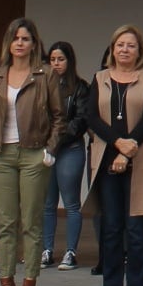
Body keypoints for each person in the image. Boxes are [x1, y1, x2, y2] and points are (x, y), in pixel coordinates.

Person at [0, 17, 64, 286]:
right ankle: (6, 284)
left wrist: (50, 149)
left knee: (30, 221)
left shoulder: (45, 76)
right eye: (15, 38)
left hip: (33, 153)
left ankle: (29, 285)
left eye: (25, 39)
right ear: (9, 43)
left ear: (33, 43)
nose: (20, 43)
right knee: (5, 222)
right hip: (2, 153)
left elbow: (58, 116)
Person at [88, 25, 143, 286]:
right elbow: (91, 117)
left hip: (139, 161)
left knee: (136, 232)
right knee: (110, 230)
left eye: (131, 45)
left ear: (139, 50)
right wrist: (117, 144)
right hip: (107, 161)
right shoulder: (99, 78)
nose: (125, 50)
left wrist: (129, 146)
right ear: (112, 48)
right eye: (120, 44)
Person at [41, 40, 91, 271]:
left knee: (71, 202)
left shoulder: (80, 87)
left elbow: (80, 121)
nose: (56, 64)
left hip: (69, 148)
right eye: (52, 59)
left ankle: (70, 251)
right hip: (45, 149)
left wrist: (57, 140)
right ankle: (47, 250)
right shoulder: (41, 85)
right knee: (48, 203)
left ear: (69, 61)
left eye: (61, 59)